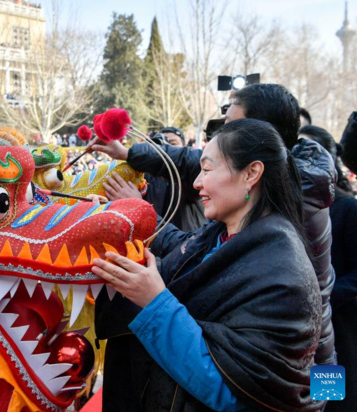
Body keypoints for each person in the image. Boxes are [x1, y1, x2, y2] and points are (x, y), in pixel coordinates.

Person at [93, 83, 336, 367]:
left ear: (254, 163)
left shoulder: (280, 249)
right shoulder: (245, 212)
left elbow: (229, 381)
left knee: (320, 396)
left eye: (231, 125)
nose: (198, 182)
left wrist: (156, 302)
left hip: (308, 344)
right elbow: (189, 241)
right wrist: (131, 162)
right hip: (302, 338)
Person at [299, 125, 357, 412]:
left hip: (335, 323)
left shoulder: (347, 209)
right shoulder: (292, 207)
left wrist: (323, 295)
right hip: (303, 326)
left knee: (332, 398)